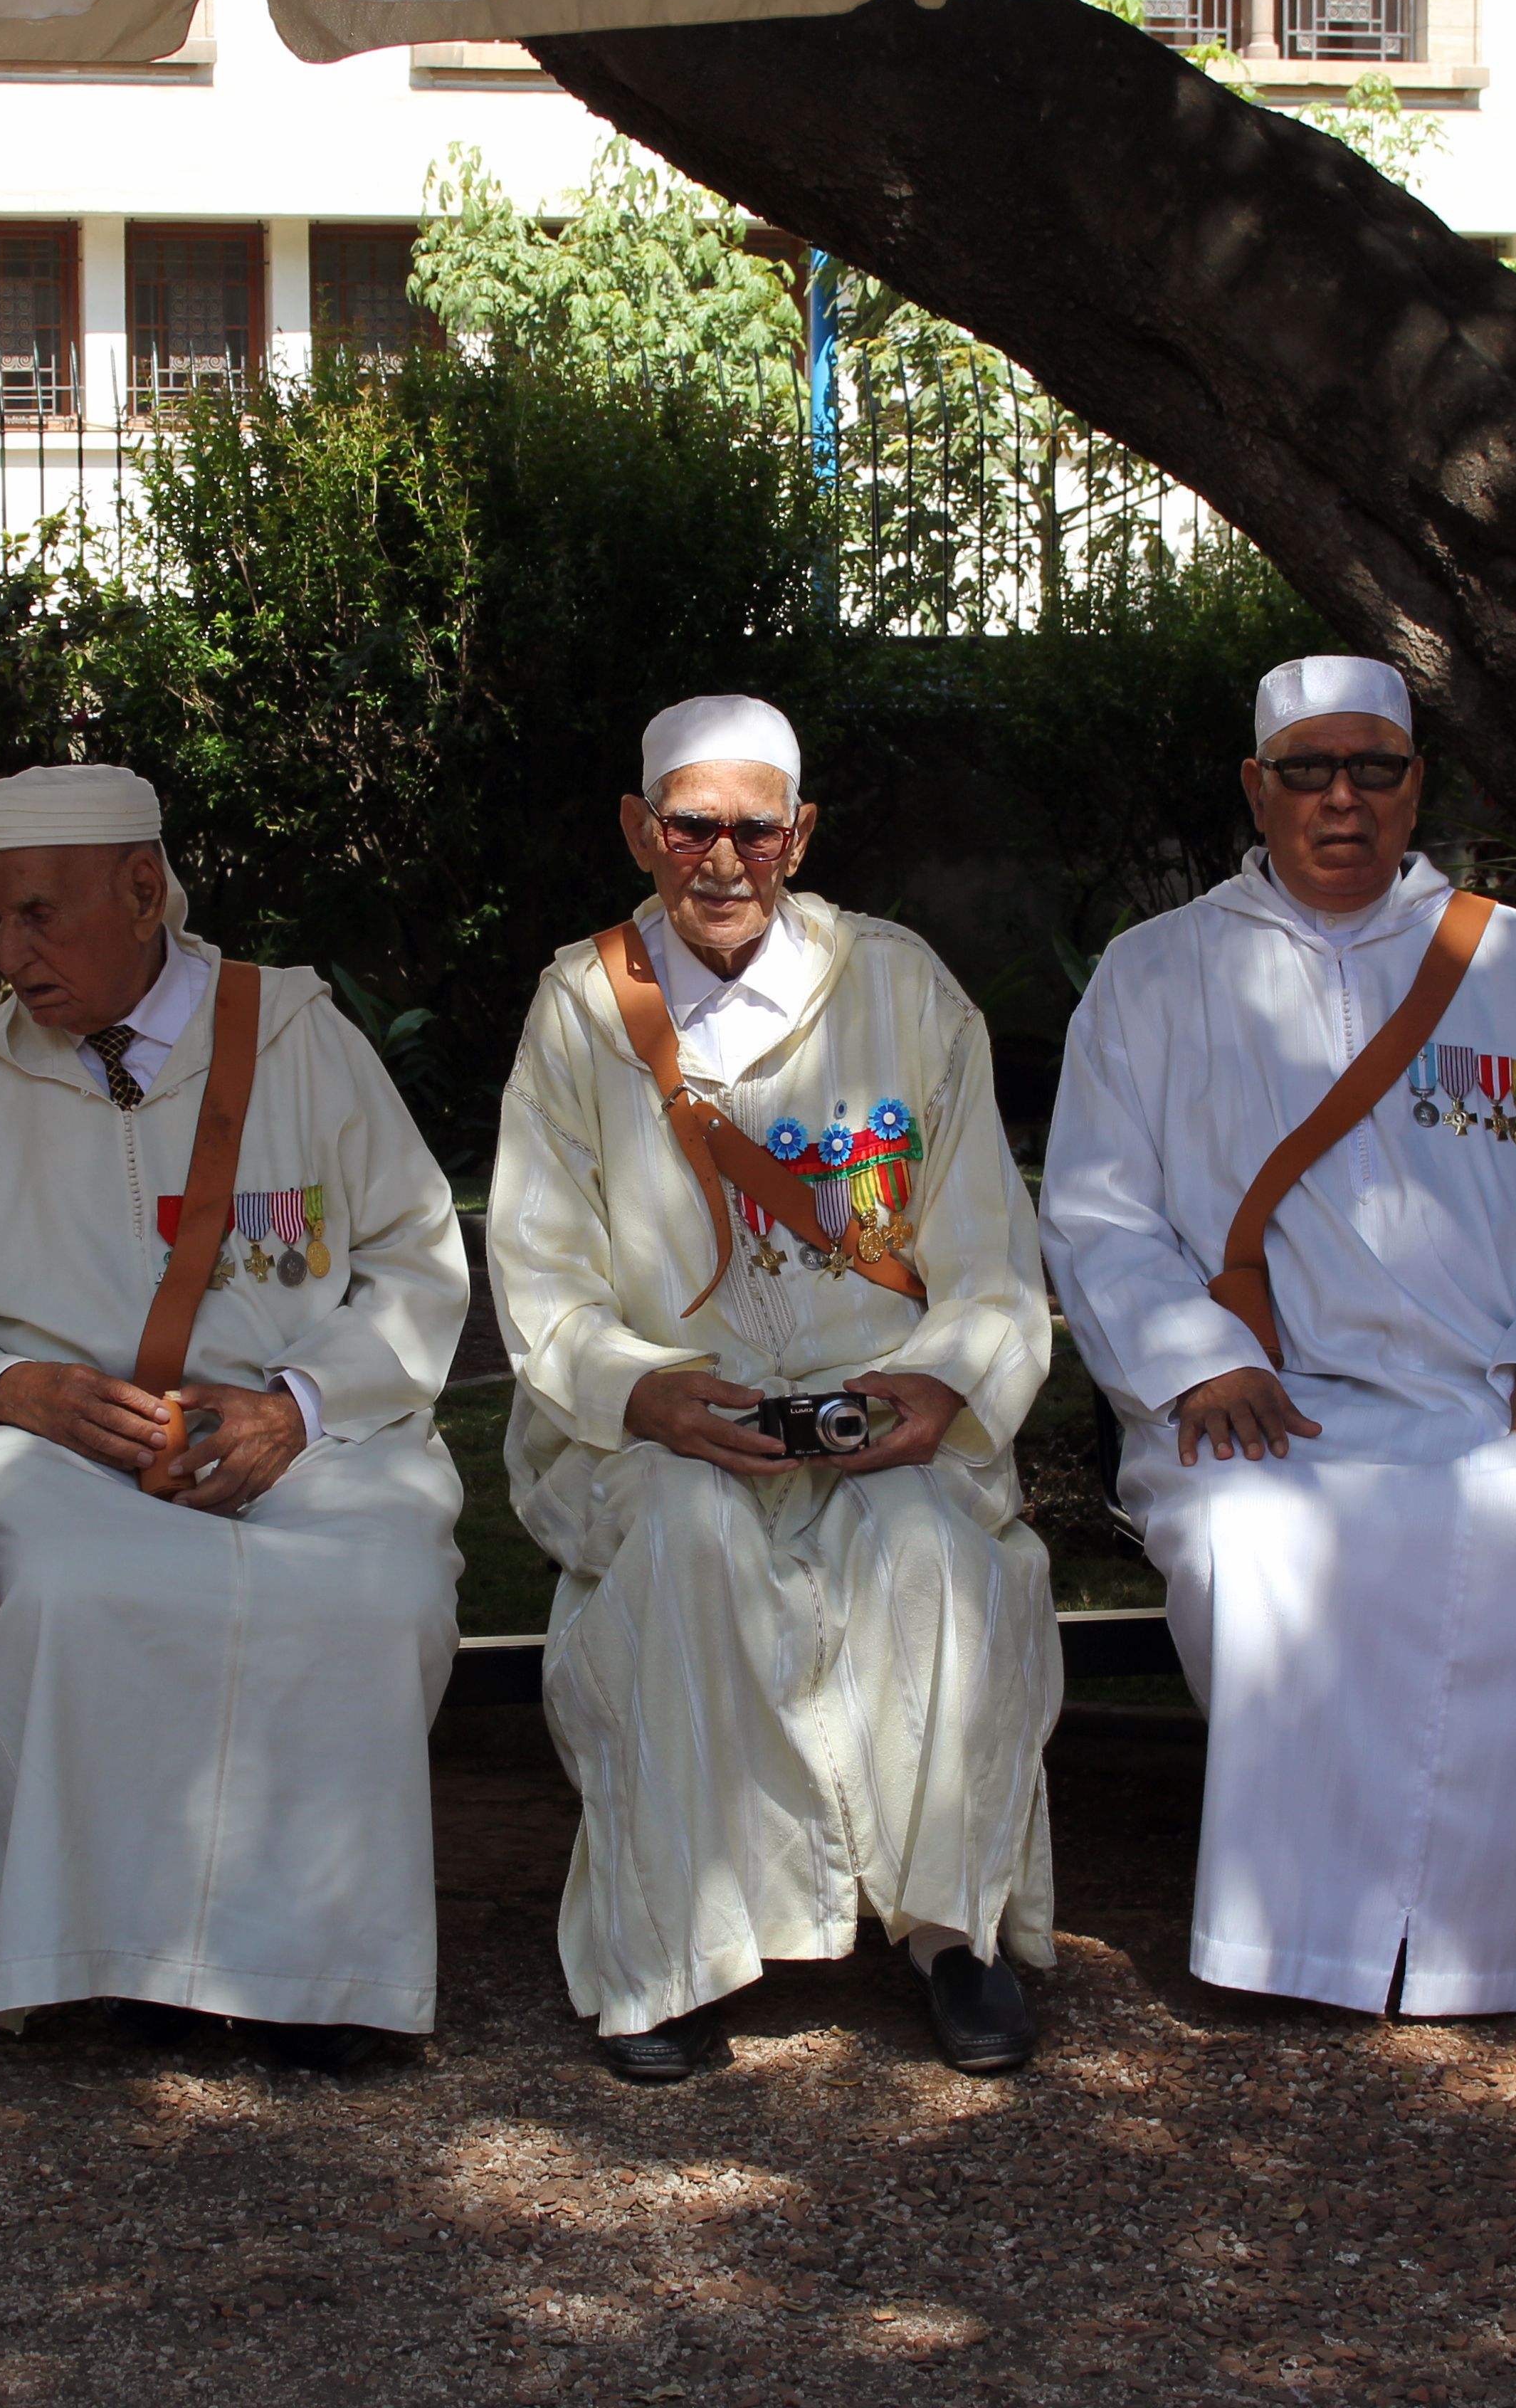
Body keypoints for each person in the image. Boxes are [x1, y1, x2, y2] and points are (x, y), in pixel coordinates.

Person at [1043, 656, 1516, 2018]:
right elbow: (1098, 1211)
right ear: (1255, 787)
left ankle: (1494, 1933)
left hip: (1493, 1393)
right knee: (1256, 1547)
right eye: (1306, 770)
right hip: (1274, 1401)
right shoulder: (1154, 974)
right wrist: (1195, 1360)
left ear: (1414, 789)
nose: (1340, 801)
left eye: (1373, 771)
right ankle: (1298, 1943)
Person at [489, 696, 1058, 2084]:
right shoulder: (580, 1008)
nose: (723, 859)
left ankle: (951, 1934)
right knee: (684, 1553)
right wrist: (643, 1393)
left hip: (879, 1405)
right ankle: (676, 1950)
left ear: (799, 834)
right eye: (692, 826)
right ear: (642, 829)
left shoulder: (904, 989)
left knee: (927, 1556)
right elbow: (541, 1267)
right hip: (678, 1419)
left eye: (755, 828)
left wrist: (939, 1387)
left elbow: (986, 1239)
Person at [0, 764, 468, 2073]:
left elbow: (416, 1259)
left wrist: (299, 1405)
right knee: (75, 1591)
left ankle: (330, 1975)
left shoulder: (294, 1037)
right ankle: (115, 1960)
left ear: (144, 889)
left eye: (38, 915)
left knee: (372, 1590)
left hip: (307, 1439)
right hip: (65, 1455)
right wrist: (11, 1389)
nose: (10, 954)